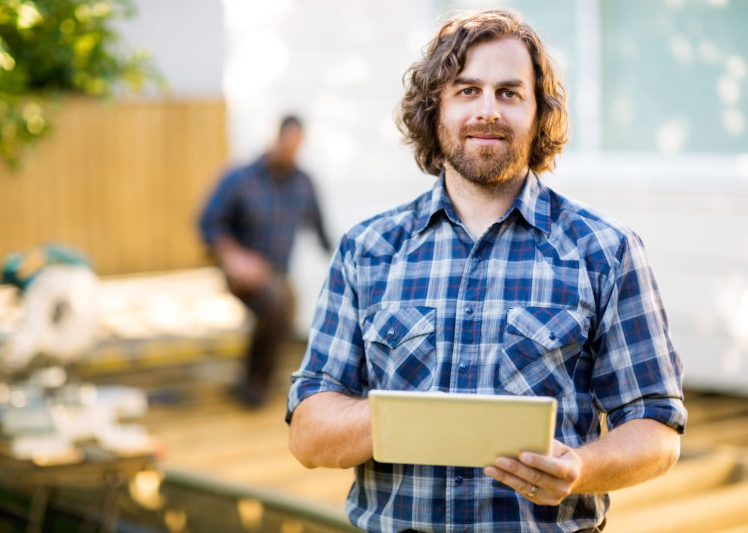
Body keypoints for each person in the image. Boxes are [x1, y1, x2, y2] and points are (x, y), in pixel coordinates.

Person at [286, 9, 686, 533]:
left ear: (539, 113)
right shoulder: (368, 250)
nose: (487, 110)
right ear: (435, 110)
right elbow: (308, 434)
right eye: (467, 90)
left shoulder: (605, 251)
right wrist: (407, 419)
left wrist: (581, 468)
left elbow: (658, 431)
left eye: (509, 93)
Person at [199, 115, 331, 408]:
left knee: (283, 304)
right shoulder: (240, 179)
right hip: (240, 270)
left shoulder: (303, 184)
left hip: (277, 275)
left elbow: (323, 235)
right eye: (287, 144)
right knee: (276, 301)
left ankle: (256, 381)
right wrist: (235, 256)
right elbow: (208, 223)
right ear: (276, 138)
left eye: (297, 146)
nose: (291, 152)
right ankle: (254, 386)